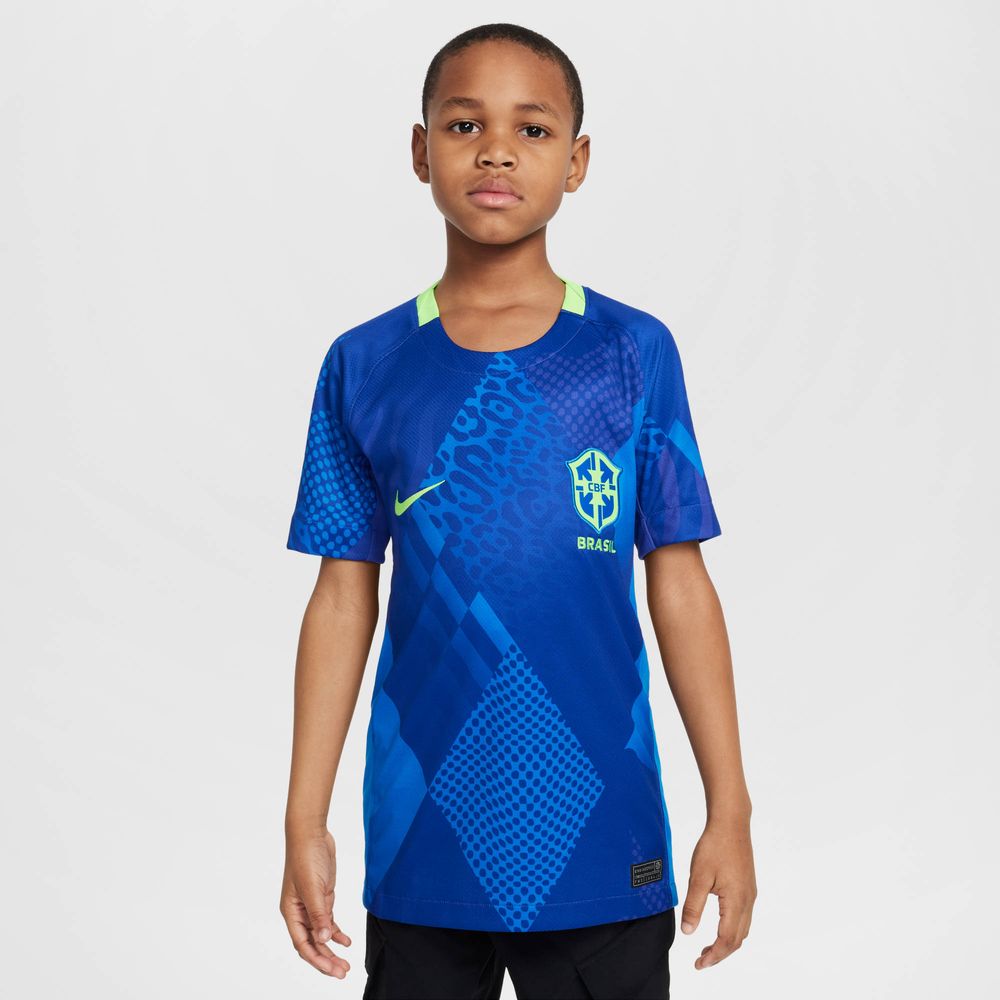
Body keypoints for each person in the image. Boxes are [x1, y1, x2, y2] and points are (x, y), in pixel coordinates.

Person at [279, 21, 756, 1000]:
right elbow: (341, 596)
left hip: (604, 830)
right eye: (465, 125)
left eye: (531, 130)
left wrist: (731, 805)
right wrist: (304, 816)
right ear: (422, 151)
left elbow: (679, 581)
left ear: (575, 162)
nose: (496, 151)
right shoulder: (364, 364)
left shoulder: (631, 352)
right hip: (422, 832)